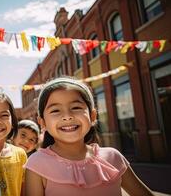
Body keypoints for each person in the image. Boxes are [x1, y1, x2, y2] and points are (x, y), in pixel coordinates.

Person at [24, 77, 154, 196]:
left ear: (92, 116)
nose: (67, 116)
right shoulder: (37, 163)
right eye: (55, 110)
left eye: (75, 107)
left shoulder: (113, 157)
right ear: (42, 122)